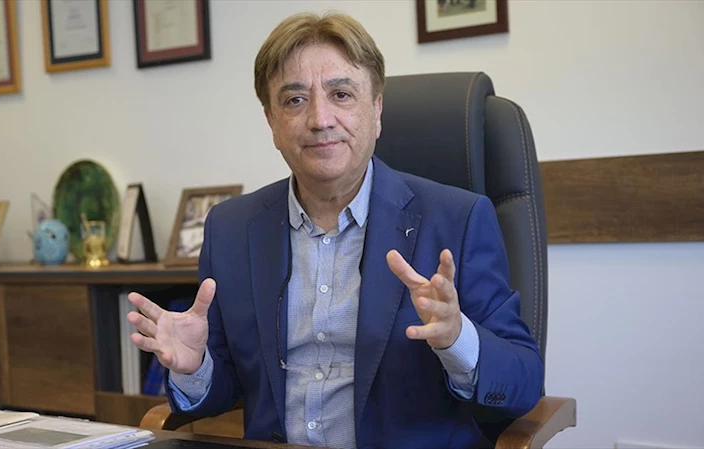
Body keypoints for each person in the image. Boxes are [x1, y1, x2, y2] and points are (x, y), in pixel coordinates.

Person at [127, 12, 543, 449]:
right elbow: (228, 387)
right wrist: (195, 367)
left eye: (341, 94)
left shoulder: (458, 220)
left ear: (376, 110)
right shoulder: (231, 228)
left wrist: (457, 339)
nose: (320, 119)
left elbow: (525, 382)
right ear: (271, 121)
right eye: (294, 100)